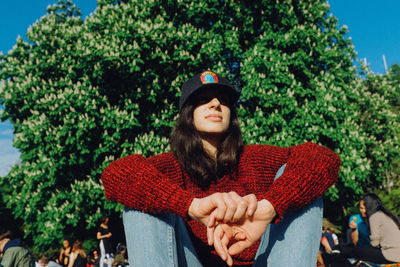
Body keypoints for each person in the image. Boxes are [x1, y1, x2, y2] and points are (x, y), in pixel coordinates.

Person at [101, 70, 341, 266]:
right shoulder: (171, 165)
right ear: (188, 113)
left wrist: (270, 207)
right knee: (142, 199)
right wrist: (190, 206)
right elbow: (115, 174)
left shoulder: (255, 159)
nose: (215, 103)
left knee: (303, 181)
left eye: (223, 101)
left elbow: (322, 158)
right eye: (204, 99)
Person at [347, 193, 400, 264]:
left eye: (365, 208)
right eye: (361, 208)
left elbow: (375, 243)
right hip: (389, 252)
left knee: (354, 251)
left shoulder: (374, 217)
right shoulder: (355, 219)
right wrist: (354, 229)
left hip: (386, 253)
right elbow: (354, 242)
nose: (363, 211)